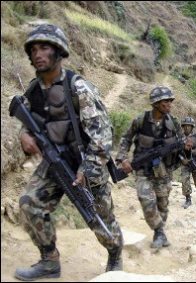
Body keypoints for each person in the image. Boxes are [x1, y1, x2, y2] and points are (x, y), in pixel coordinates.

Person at [14, 24, 124, 281]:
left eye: (45, 48)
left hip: (87, 164)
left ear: (58, 52)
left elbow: (102, 136)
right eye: (34, 49)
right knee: (29, 204)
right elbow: (27, 119)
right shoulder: (34, 89)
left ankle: (115, 254)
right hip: (54, 162)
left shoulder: (79, 88)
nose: (38, 54)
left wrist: (88, 170)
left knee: (98, 217)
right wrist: (24, 135)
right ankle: (49, 262)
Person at [115, 86, 193, 248]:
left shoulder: (174, 123)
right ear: (156, 103)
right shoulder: (140, 120)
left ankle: (160, 233)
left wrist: (186, 147)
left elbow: (181, 145)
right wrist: (123, 159)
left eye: (170, 101)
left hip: (165, 171)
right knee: (145, 199)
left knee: (162, 204)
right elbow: (126, 139)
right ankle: (159, 232)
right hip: (143, 170)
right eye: (166, 101)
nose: (169, 104)